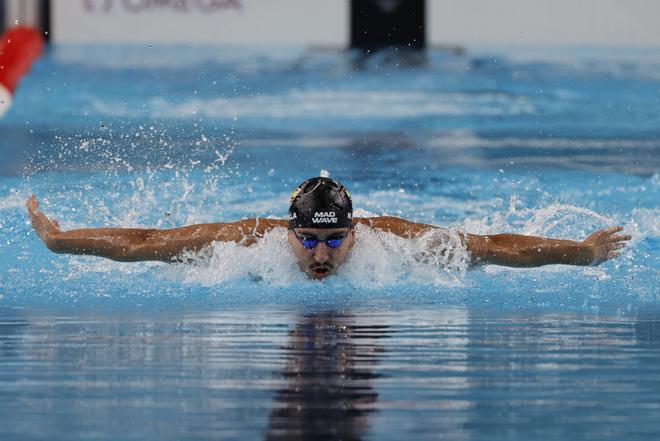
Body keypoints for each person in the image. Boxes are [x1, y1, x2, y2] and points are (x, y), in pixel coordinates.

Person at [27, 177, 631, 280]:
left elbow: (489, 247)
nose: (320, 254)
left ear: (354, 232)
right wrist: (59, 240)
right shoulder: (246, 241)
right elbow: (145, 245)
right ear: (287, 230)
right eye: (309, 240)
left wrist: (578, 252)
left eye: (334, 240)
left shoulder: (390, 240)